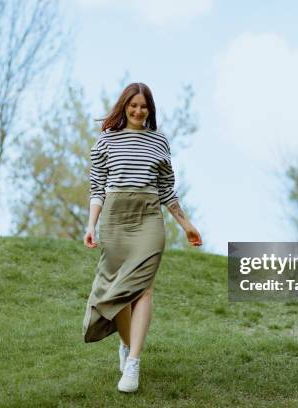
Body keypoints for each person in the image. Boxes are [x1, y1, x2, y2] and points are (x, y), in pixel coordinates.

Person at [82, 82, 202, 393]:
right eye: (133, 105)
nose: (138, 111)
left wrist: (186, 224)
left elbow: (167, 190)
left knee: (143, 291)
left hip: (149, 218)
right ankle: (125, 344)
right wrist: (90, 225)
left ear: (150, 109)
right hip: (115, 218)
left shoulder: (159, 141)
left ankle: (133, 362)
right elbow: (97, 189)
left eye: (143, 106)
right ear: (124, 107)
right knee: (120, 291)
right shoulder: (105, 143)